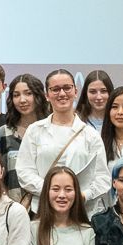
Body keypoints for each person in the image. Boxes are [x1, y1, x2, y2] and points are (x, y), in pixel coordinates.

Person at [15, 69, 110, 214]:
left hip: (81, 213)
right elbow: (24, 171)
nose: (62, 93)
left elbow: (102, 178)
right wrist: (52, 192)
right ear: (47, 95)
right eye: (55, 89)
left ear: (76, 91)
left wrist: (80, 196)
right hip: (42, 211)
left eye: (67, 88)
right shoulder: (35, 131)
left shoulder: (90, 135)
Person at [0, 72, 46, 199]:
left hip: (47, 203)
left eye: (28, 93)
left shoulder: (49, 130)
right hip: (13, 205)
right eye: (16, 95)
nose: (22, 100)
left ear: (39, 95)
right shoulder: (4, 133)